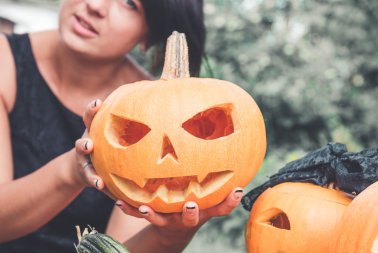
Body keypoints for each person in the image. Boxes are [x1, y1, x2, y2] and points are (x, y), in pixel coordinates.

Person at [0, 0, 244, 252]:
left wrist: (171, 235)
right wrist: (72, 171)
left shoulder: (161, 113)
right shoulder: (4, 59)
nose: (96, 5)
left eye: (129, 4)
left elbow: (118, 248)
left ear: (148, 36)